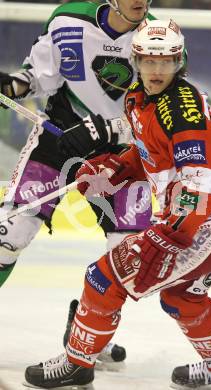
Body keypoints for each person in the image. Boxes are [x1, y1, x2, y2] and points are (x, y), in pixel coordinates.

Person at [25, 18, 211, 389]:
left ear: (180, 62)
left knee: (102, 279)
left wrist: (168, 238)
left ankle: (78, 363)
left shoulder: (182, 114)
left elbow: (199, 188)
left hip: (201, 230)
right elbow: (148, 153)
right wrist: (113, 170)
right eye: (148, 61)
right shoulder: (138, 98)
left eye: (166, 62)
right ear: (136, 61)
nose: (157, 70)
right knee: (181, 299)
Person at [0, 0, 154, 367]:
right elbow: (39, 74)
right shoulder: (68, 19)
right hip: (59, 140)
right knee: (10, 234)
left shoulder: (156, 40)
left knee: (127, 255)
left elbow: (158, 114)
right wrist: (15, 85)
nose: (140, 2)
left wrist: (107, 129)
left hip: (122, 156)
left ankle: (86, 332)